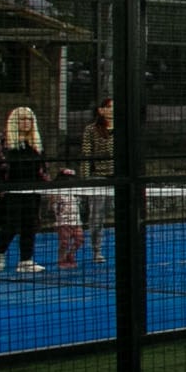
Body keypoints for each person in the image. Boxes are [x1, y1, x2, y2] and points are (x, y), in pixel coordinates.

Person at [0, 105, 49, 272]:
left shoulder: (35, 144)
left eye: (29, 119)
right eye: (22, 119)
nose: (26, 123)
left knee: (30, 226)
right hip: (13, 192)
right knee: (11, 224)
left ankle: (26, 260)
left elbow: (42, 169)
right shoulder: (6, 143)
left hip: (32, 191)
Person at [70, 97, 117, 270]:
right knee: (96, 218)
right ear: (101, 110)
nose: (112, 111)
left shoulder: (124, 129)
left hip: (119, 178)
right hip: (99, 178)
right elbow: (86, 155)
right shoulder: (91, 130)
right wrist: (86, 178)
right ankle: (96, 250)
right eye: (109, 107)